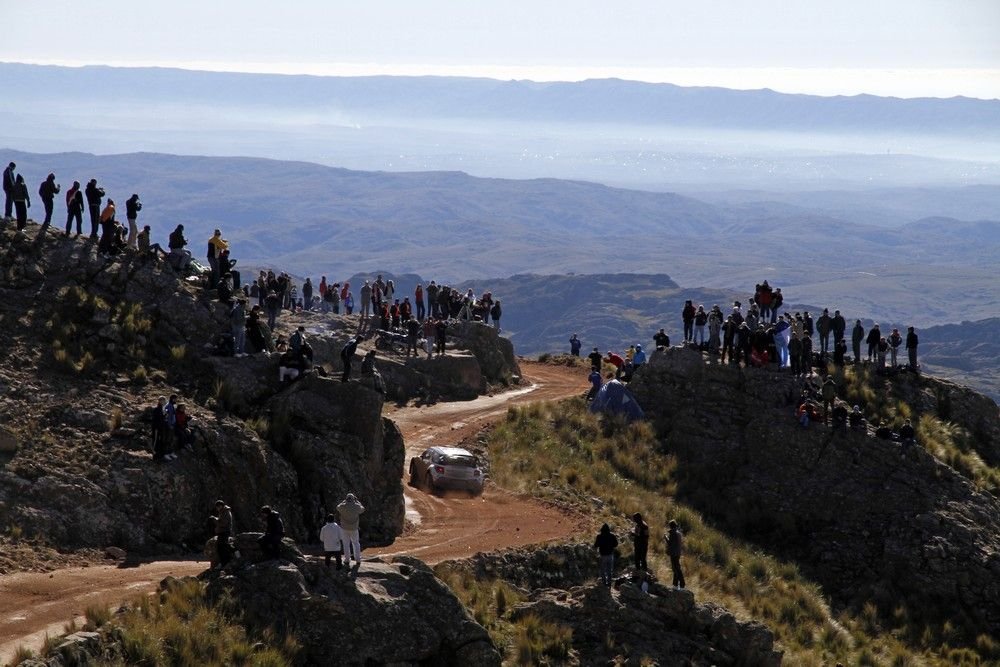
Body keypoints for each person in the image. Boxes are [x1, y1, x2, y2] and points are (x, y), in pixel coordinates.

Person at [337, 493, 365, 569]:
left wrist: (344, 501)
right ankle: (358, 559)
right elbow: (363, 509)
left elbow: (337, 507)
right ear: (353, 499)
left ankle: (347, 559)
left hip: (344, 528)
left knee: (346, 544)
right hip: (354, 528)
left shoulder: (343, 506)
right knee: (356, 543)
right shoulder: (356, 506)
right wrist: (357, 502)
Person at [214, 500, 234, 567]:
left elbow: (223, 523)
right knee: (222, 547)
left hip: (224, 532)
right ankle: (224, 562)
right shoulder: (223, 512)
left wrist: (215, 520)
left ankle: (224, 563)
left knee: (222, 548)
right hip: (223, 532)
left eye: (218, 507)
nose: (217, 508)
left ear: (221, 506)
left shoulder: (225, 512)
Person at [666, 519, 685, 589]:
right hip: (678, 553)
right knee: (676, 568)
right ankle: (675, 584)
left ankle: (682, 583)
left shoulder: (673, 533)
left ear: (671, 526)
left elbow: (670, 543)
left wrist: (666, 537)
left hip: (673, 553)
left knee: (676, 568)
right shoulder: (678, 533)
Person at [151, 396, 169, 462]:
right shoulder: (156, 409)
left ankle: (161, 455)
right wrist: (155, 428)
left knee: (162, 441)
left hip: (162, 428)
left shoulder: (164, 409)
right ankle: (155, 456)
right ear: (159, 401)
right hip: (157, 428)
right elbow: (155, 420)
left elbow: (164, 418)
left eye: (164, 400)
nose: (163, 402)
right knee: (156, 441)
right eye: (161, 400)